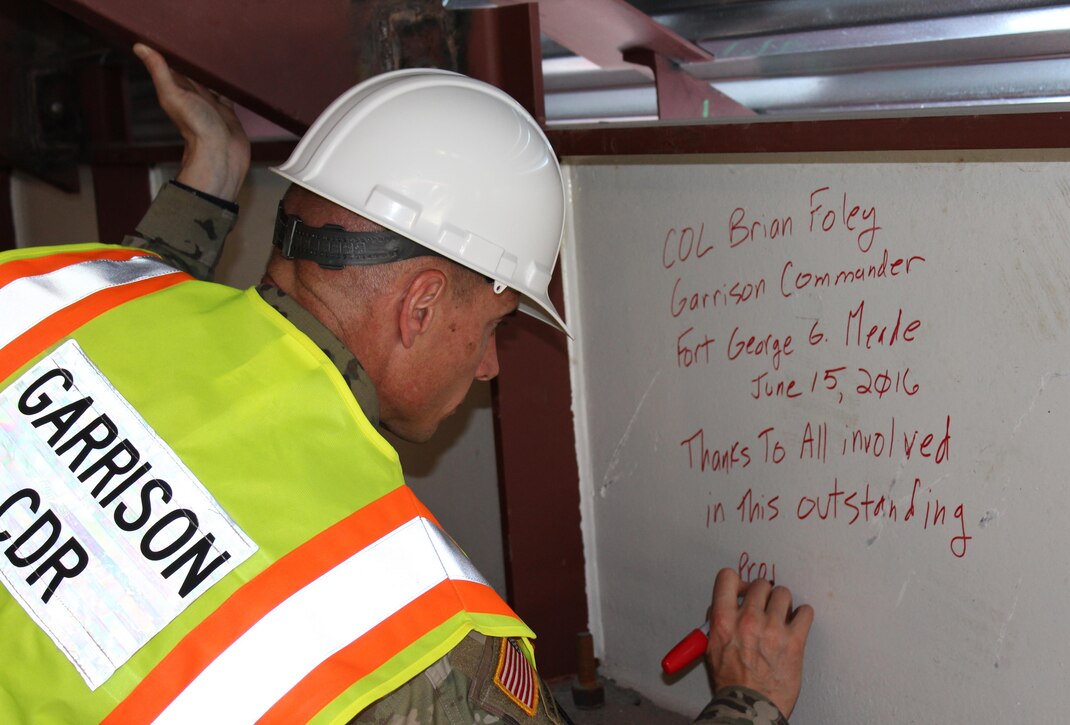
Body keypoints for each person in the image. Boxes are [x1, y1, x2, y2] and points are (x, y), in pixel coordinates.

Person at [0, 43, 812, 724]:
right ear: (421, 303)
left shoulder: (46, 302)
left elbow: (135, 293)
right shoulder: (403, 618)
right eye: (494, 326)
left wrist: (211, 175)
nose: (491, 365)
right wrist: (749, 698)